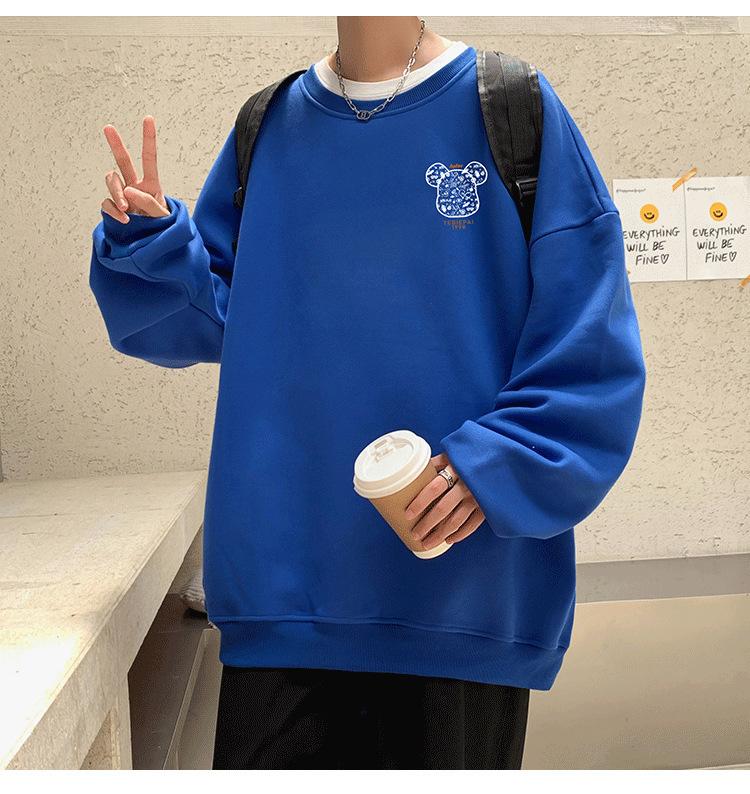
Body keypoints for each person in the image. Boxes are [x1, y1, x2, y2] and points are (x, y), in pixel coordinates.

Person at [89, 16, 647, 769]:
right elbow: (207, 317)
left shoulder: (512, 107)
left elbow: (591, 338)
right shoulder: (269, 126)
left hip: (458, 590)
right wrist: (150, 243)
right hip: (286, 598)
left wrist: (499, 464)